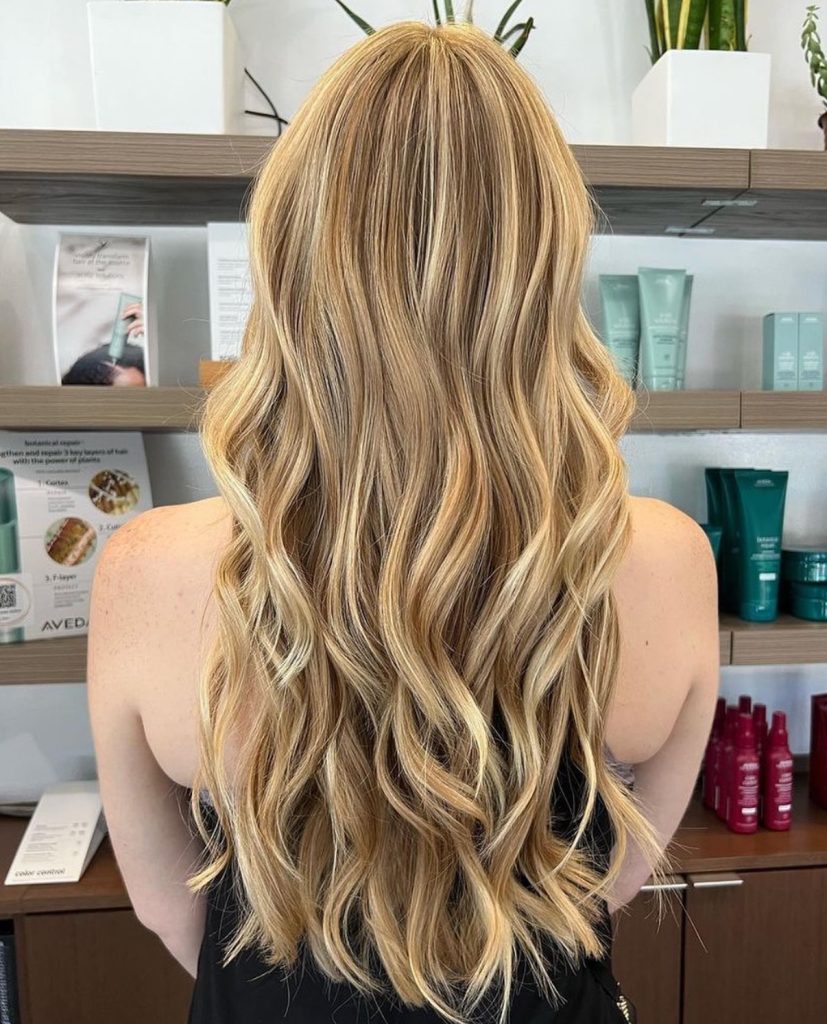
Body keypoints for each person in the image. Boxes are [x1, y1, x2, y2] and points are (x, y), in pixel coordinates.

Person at [87, 20, 719, 1024]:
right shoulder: (665, 561)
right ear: (541, 257)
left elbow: (172, 909)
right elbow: (613, 879)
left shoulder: (145, 571)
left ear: (291, 248)